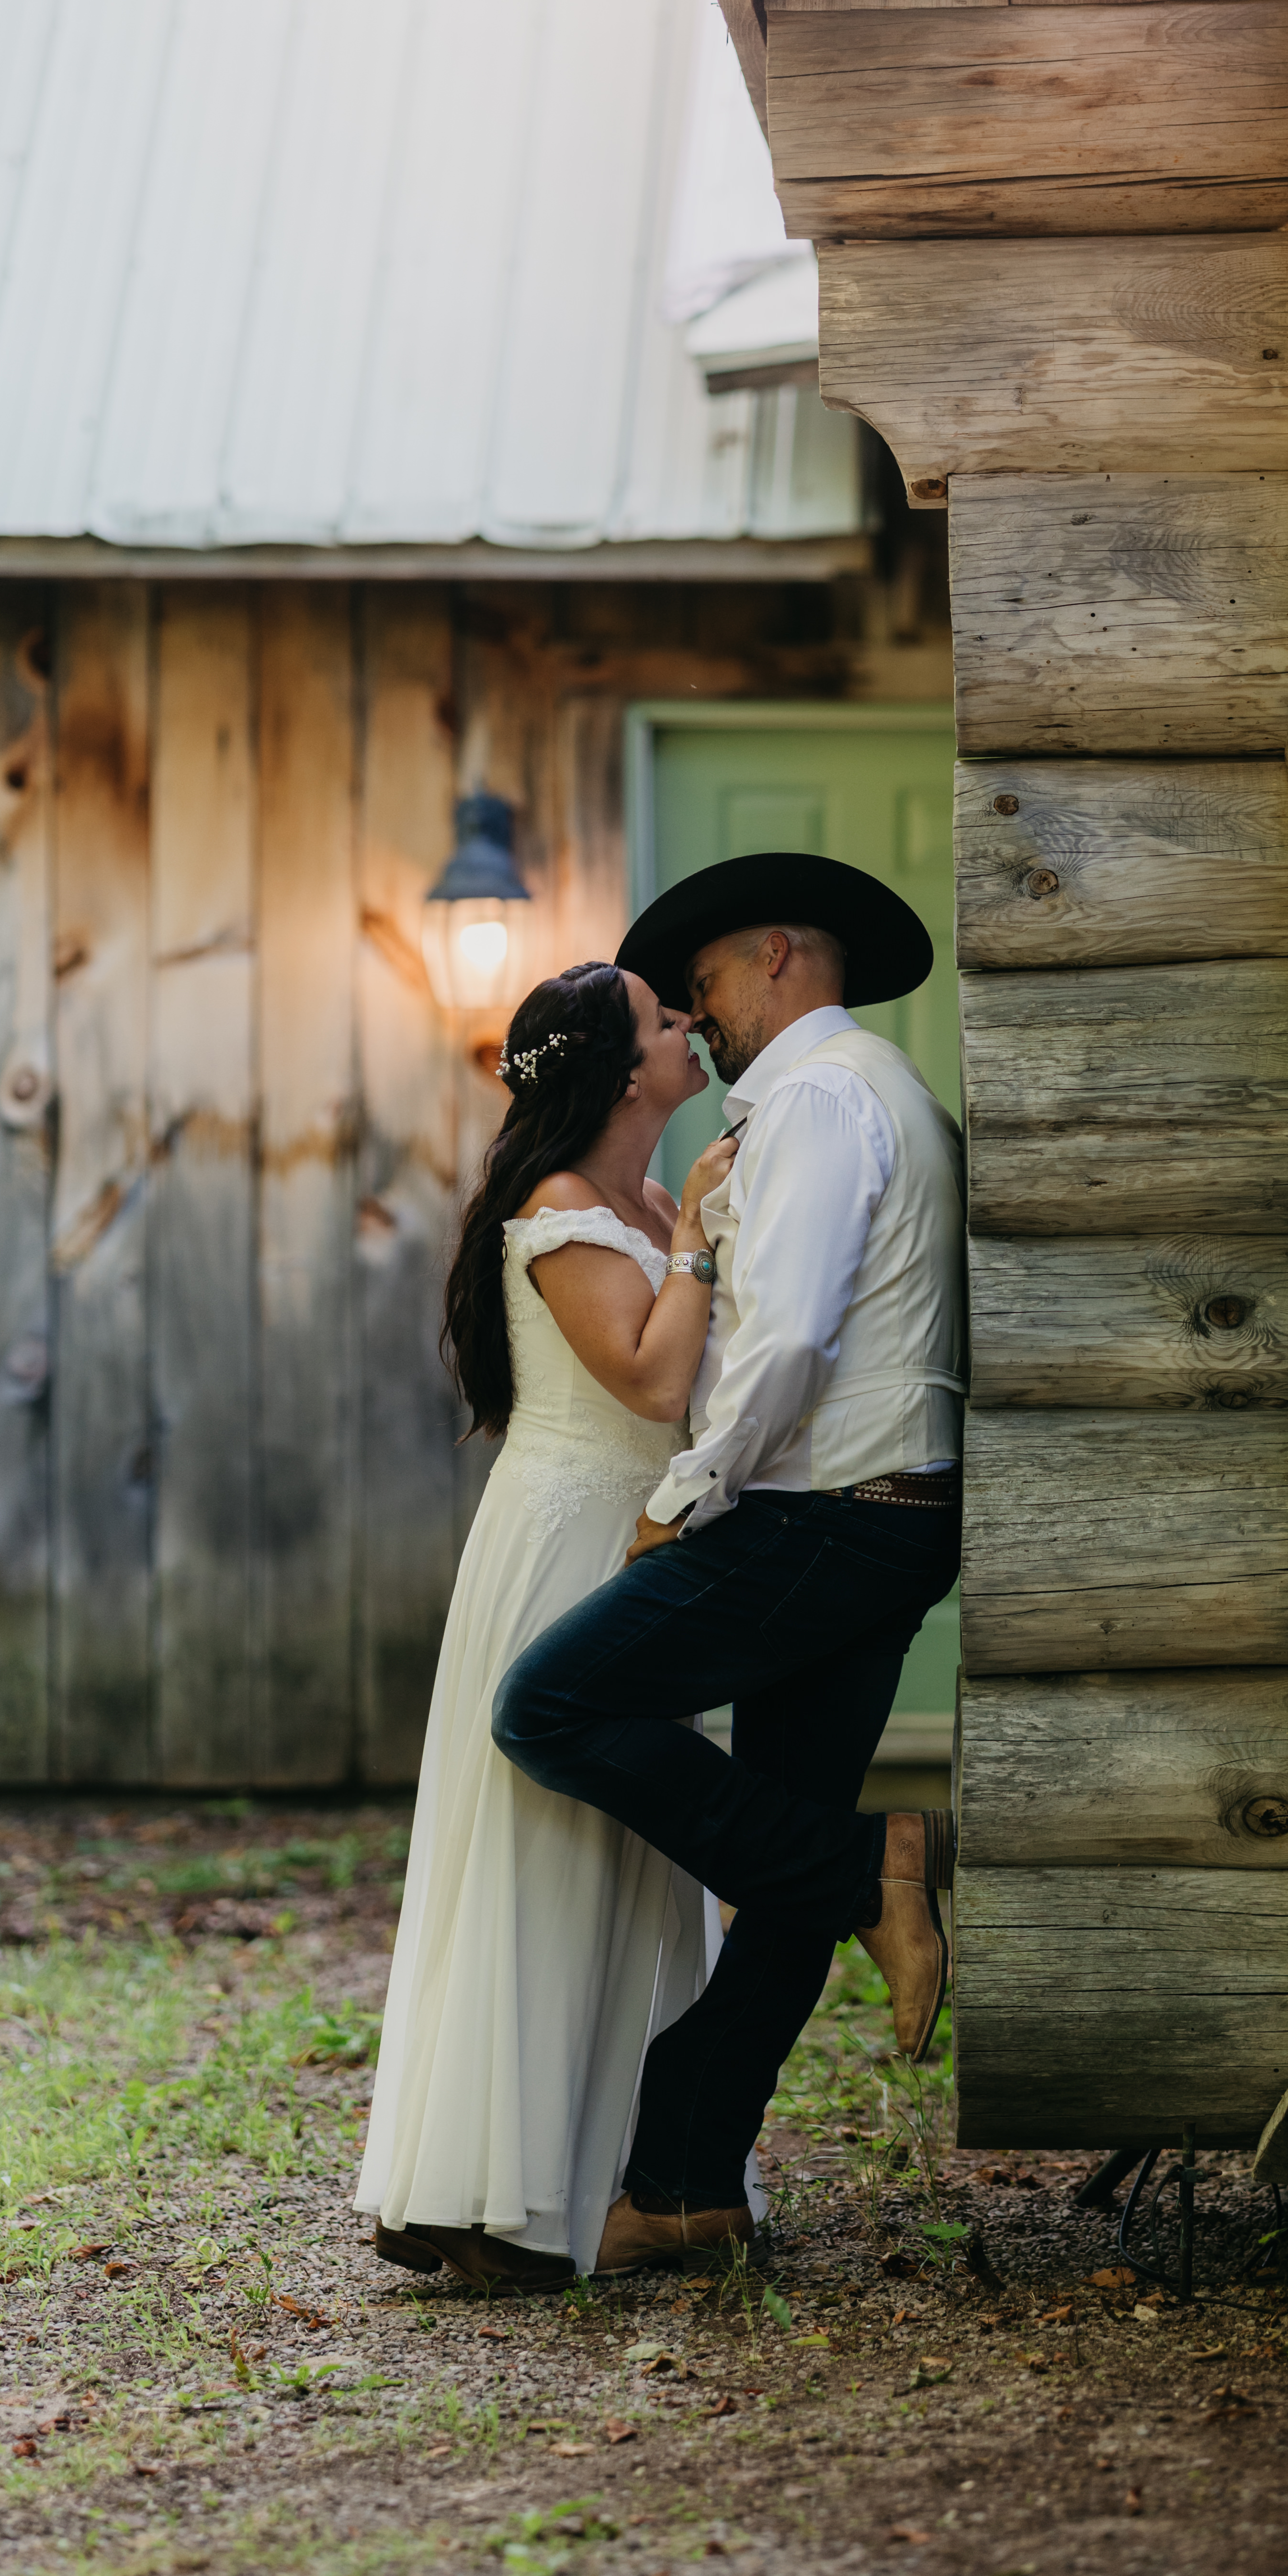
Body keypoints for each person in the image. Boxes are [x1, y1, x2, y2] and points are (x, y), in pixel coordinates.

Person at [491, 850, 966, 2278]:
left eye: (703, 986)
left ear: (776, 955)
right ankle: (686, 2186)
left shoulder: (820, 1100)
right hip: (887, 1513)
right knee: (781, 1845)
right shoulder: (873, 1089)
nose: (695, 1019)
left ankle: (869, 1868)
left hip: (824, 1512)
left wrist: (685, 1499)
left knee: (551, 1706)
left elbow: (792, 1338)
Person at [354, 960, 737, 2291]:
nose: (688, 1024)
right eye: (662, 1017)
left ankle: (611, 2178)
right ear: (623, 1073)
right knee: (544, 1850)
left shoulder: (645, 1203)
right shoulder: (565, 1206)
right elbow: (650, 1379)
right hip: (565, 1548)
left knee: (628, 1851)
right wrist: (701, 1238)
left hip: (644, 1542)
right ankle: (488, 2191)